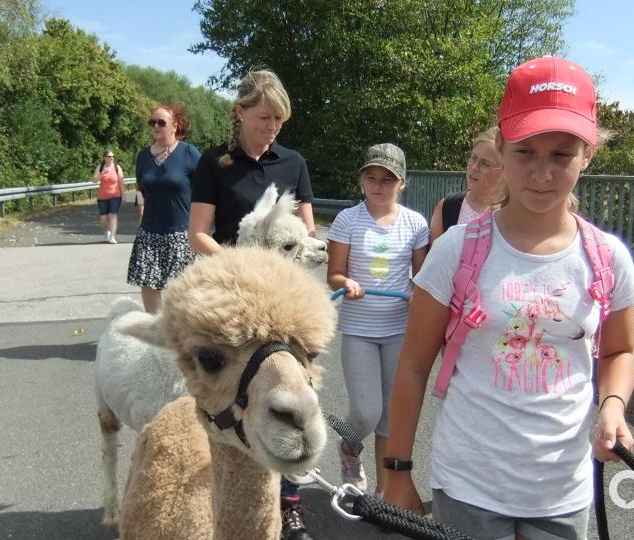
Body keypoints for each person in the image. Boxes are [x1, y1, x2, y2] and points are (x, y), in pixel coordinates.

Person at [383, 56, 634, 540]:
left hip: (562, 491)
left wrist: (612, 406)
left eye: (561, 154)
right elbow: (414, 365)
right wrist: (396, 471)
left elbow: (618, 351)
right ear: (500, 148)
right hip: (468, 486)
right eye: (525, 152)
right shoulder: (456, 250)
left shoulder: (608, 258)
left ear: (588, 154)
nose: (542, 173)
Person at [188, 69, 316, 540]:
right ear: (240, 112)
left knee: (292, 402)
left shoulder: (293, 162)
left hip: (283, 307)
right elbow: (198, 233)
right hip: (234, 303)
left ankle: (290, 504)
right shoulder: (213, 163)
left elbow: (306, 230)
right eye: (264, 117)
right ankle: (221, 500)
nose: (272, 128)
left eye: (279, 120)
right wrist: (241, 268)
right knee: (234, 404)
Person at [326, 143, 429, 498]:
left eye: (387, 179)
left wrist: (416, 292)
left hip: (398, 330)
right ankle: (349, 448)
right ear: (362, 180)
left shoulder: (415, 224)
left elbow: (421, 278)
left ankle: (384, 494)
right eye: (371, 177)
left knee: (390, 416)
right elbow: (334, 275)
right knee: (366, 412)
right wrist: (346, 282)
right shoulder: (347, 220)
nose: (378, 185)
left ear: (402, 183)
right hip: (359, 330)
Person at [126, 103, 201, 314]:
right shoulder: (143, 156)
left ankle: (181, 328)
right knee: (149, 283)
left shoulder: (188, 152)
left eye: (161, 122)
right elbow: (142, 189)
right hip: (149, 232)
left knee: (184, 288)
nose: (156, 126)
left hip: (181, 233)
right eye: (153, 122)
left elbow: (205, 189)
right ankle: (154, 326)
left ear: (174, 125)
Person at [428, 127, 508, 243]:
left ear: (505, 171)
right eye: (473, 158)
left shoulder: (515, 214)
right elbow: (435, 254)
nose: (474, 167)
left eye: (485, 164)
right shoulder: (447, 207)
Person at [93, 149, 125, 244]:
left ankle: (112, 236)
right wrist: (102, 173)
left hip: (115, 195)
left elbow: (121, 182)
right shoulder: (100, 167)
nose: (112, 158)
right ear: (105, 158)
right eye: (109, 156)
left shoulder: (117, 167)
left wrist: (123, 195)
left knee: (113, 215)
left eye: (113, 156)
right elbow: (94, 180)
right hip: (102, 196)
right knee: (103, 217)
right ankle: (106, 232)